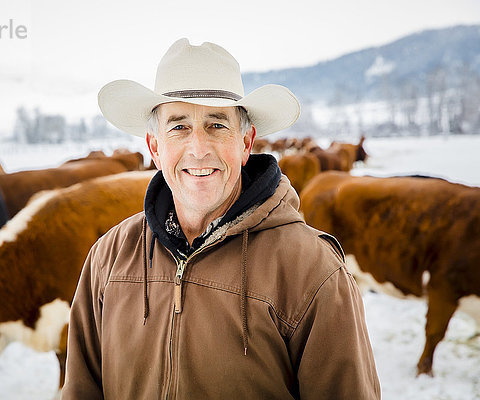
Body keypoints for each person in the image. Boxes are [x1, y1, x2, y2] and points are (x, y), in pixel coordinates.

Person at [62, 38, 381, 399]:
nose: (198, 149)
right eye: (178, 127)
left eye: (217, 125)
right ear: (154, 147)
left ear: (246, 143)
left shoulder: (313, 270)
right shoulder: (109, 258)